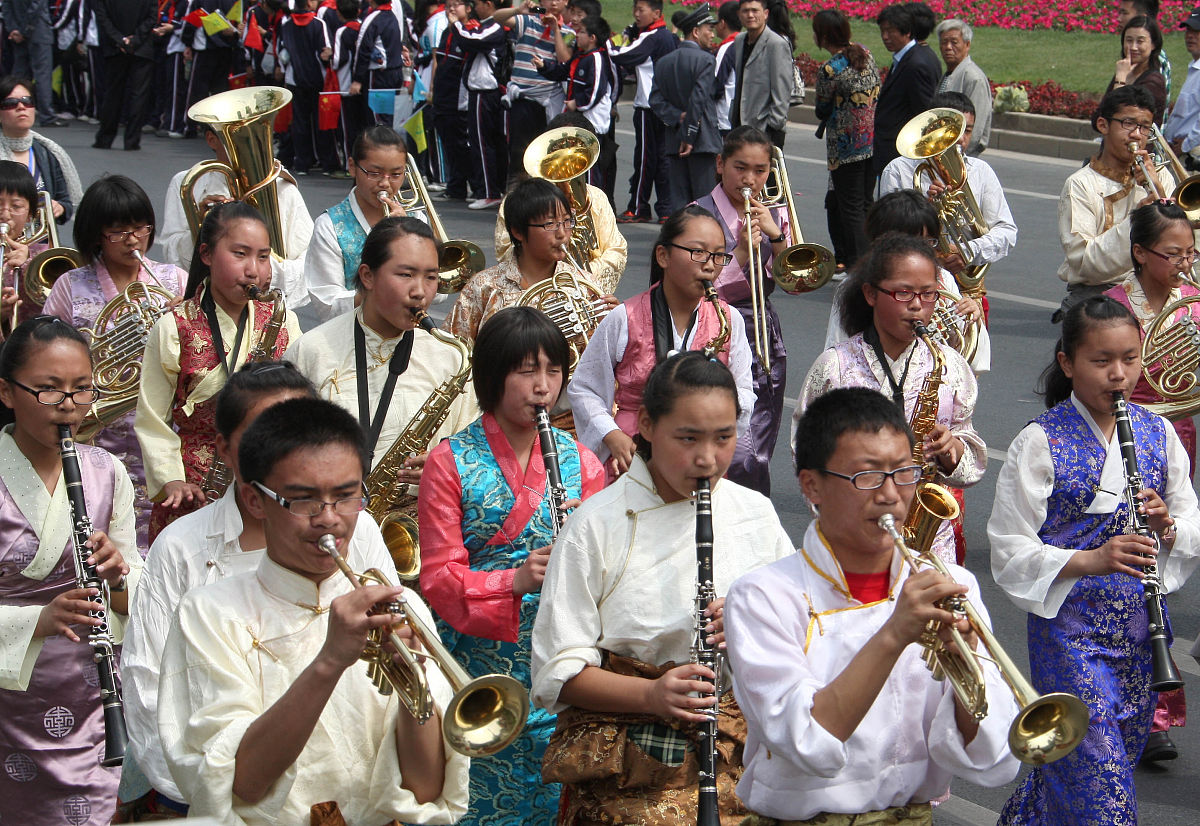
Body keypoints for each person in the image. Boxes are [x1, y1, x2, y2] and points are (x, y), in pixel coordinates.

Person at [156, 396, 470, 823]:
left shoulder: (400, 606)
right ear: (254, 500)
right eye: (304, 501)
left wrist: (411, 684)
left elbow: (425, 790)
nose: (329, 519)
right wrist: (330, 660)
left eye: (346, 497)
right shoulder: (209, 613)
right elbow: (243, 783)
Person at [726, 387, 1020, 823]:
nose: (890, 495)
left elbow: (994, 759)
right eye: (867, 476)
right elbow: (807, 742)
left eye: (904, 473)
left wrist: (966, 659)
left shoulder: (951, 584)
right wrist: (894, 634)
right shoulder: (763, 596)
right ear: (811, 485)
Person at [122, 360, 399, 818]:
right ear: (225, 449)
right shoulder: (182, 547)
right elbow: (149, 685)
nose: (289, 447)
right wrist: (209, 791)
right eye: (267, 433)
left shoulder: (359, 528)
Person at [531, 351, 793, 823]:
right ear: (648, 425)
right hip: (628, 767)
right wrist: (652, 696)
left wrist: (753, 626)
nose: (707, 458)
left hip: (738, 751)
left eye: (724, 437)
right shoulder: (595, 525)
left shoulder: (754, 513)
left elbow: (802, 633)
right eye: (688, 438)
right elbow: (558, 672)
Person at [989, 296, 1200, 824]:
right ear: (1067, 363)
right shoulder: (1040, 441)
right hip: (1070, 633)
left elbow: (1189, 520)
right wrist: (1093, 559)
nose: (1119, 374)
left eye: (1130, 359)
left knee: (1085, 771)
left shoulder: (1157, 432)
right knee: (1100, 784)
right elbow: (1010, 548)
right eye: (1101, 361)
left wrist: (1167, 526)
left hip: (1141, 628)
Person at [418, 306, 604, 825]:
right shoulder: (449, 461)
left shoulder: (582, 462)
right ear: (493, 376)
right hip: (478, 662)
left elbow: (611, 572)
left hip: (557, 658)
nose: (543, 386)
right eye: (526, 371)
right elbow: (437, 577)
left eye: (553, 371)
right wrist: (513, 581)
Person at [0, 316, 140, 826]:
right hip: (9, 692)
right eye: (49, 389)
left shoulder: (107, 471)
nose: (68, 404)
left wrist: (118, 575)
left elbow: (137, 592)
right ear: (6, 392)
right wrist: (38, 619)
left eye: (82, 389)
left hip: (90, 696)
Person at [799, 233, 986, 565]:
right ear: (871, 294)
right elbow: (805, 451)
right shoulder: (834, 367)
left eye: (928, 294)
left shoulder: (951, 365)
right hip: (853, 533)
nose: (917, 305)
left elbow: (969, 448)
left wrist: (952, 450)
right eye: (903, 293)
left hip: (930, 542)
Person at [135, 201, 302, 540]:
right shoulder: (174, 327)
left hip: (270, 477)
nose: (253, 270)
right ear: (207, 255)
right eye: (240, 254)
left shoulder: (284, 320)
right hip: (194, 488)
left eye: (263, 256)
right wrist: (171, 479)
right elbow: (152, 416)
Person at [42, 175, 187, 556]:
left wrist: (186, 322)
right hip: (94, 431)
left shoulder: (174, 281)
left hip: (159, 431)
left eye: (140, 228)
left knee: (162, 537)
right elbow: (43, 353)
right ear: (96, 235)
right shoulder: (70, 286)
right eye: (118, 231)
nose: (132, 239)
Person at [287, 217, 478, 501]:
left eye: (431, 277)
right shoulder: (311, 351)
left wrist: (451, 467)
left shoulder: (451, 356)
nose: (420, 291)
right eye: (406, 275)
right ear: (367, 276)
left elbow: (475, 447)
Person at [1103, 202, 1197, 764]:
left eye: (1190, 253)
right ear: (1140, 253)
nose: (1184, 264)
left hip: (1175, 438)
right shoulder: (1113, 306)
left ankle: (1153, 710)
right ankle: (1144, 710)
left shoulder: (1194, 303)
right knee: (1127, 573)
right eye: (1172, 254)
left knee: (1156, 567)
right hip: (1118, 435)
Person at [569, 205, 754, 479]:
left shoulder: (730, 320)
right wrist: (611, 434)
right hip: (632, 456)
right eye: (698, 252)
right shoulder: (624, 317)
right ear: (663, 256)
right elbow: (585, 388)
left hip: (701, 455)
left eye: (718, 255)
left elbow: (744, 393)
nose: (710, 265)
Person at [693, 125, 793, 496]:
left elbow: (794, 282)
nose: (749, 179)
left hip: (762, 331)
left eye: (760, 170)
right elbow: (695, 287)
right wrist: (739, 253)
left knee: (760, 441)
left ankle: (749, 510)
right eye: (740, 168)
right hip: (713, 329)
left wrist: (777, 237)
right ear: (720, 164)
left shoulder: (774, 212)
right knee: (727, 442)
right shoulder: (697, 214)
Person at [879, 90, 1018, 314]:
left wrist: (967, 252)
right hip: (912, 291)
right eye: (955, 131)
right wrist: (925, 211)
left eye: (968, 131)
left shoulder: (981, 171)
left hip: (967, 293)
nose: (961, 139)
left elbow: (1007, 232)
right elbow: (887, 236)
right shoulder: (898, 170)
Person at [825, 190, 990, 378]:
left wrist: (971, 322)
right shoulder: (855, 284)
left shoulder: (943, 279)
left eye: (928, 242)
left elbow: (973, 362)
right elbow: (837, 354)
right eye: (909, 243)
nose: (919, 252)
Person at [160, 123, 314, 310]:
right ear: (212, 140)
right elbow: (173, 261)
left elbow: (312, 263)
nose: (248, 146)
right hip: (205, 308)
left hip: (270, 309)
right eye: (235, 138)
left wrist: (269, 272)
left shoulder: (282, 188)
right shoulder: (186, 183)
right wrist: (202, 228)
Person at [448, 176, 619, 341]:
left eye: (567, 221)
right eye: (550, 224)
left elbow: (602, 352)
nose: (562, 234)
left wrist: (615, 323)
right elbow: (454, 348)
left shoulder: (585, 286)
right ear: (518, 231)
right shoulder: (484, 286)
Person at [1055, 84, 1159, 317]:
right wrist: (1138, 221)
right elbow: (1084, 262)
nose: (1136, 135)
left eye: (1144, 127)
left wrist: (1160, 194)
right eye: (1128, 123)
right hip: (1097, 293)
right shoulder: (1080, 184)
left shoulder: (1158, 176)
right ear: (1103, 125)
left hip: (1155, 290)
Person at [494, 115, 627, 294]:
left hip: (587, 290)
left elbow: (616, 250)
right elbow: (506, 250)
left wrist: (581, 278)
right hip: (535, 290)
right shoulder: (519, 199)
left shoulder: (597, 197)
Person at [813, 8, 878, 272]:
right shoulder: (865, 53)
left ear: (823, 36)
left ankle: (859, 266)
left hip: (845, 147)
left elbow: (821, 108)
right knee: (865, 203)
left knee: (850, 208)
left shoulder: (830, 69)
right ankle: (870, 259)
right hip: (871, 142)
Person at [609, 0, 678, 223]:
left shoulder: (652, 37)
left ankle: (638, 207)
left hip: (648, 107)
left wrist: (610, 41)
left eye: (641, 10)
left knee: (645, 160)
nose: (636, 14)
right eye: (635, 10)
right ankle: (666, 208)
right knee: (663, 159)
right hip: (665, 106)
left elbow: (621, 55)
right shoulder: (667, 36)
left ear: (656, 13)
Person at [648, 5, 721, 212]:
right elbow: (698, 100)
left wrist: (677, 117)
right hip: (702, 141)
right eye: (709, 29)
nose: (712, 35)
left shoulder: (664, 62)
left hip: (673, 141)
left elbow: (655, 100)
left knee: (680, 206)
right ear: (696, 32)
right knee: (705, 205)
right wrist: (688, 135)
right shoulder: (706, 60)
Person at [492, 0, 571, 188]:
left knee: (547, 153)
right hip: (524, 97)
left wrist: (556, 30)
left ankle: (544, 195)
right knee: (519, 152)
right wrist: (518, 10)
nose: (553, 2)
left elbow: (565, 60)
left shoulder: (568, 32)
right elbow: (496, 18)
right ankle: (514, 194)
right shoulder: (528, 21)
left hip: (549, 98)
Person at [0, 76, 81, 224]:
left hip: (41, 236)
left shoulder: (48, 151)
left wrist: (60, 207)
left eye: (27, 101)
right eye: (11, 103)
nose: (21, 107)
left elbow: (65, 201)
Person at [453, 0, 510, 210]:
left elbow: (471, 40)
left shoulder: (494, 27)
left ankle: (488, 192)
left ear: (488, 4)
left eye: (477, 3)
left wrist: (456, 23)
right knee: (486, 142)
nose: (475, 8)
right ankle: (491, 189)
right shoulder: (488, 26)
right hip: (484, 92)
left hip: (485, 91)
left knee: (482, 143)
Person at [873, 4, 941, 177]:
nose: (885, 37)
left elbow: (924, 113)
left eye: (890, 31)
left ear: (907, 32)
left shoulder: (916, 64)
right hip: (890, 152)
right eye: (882, 31)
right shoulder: (906, 58)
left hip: (901, 156)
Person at [279, 0, 341, 177]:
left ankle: (302, 163)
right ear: (308, 4)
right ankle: (327, 163)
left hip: (294, 79)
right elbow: (326, 51)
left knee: (300, 122)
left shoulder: (286, 25)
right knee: (322, 121)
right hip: (318, 79)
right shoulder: (319, 24)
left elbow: (282, 53)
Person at [91, 0, 157, 151]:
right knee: (138, 95)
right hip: (141, 48)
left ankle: (105, 138)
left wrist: (119, 39)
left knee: (112, 94)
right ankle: (132, 140)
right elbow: (152, 17)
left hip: (115, 48)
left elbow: (102, 17)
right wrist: (135, 39)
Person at [729, 0, 792, 149]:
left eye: (755, 10)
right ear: (739, 14)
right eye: (745, 11)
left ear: (765, 14)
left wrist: (772, 126)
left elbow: (782, 91)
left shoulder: (776, 44)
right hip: (739, 125)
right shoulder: (739, 40)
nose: (750, 15)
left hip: (764, 130)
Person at [0, 160, 51, 332]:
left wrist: (29, 265)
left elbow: (54, 305)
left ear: (30, 215)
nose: (5, 214)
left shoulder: (42, 256)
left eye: (16, 206)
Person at [1, 1, 66, 127]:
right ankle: (47, 115)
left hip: (18, 33)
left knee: (19, 75)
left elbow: (6, 7)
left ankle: (9, 110)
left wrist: (13, 29)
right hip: (38, 31)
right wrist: (24, 29)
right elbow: (37, 6)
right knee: (42, 75)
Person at [934, 19, 991, 155]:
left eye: (954, 42)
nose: (948, 47)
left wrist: (958, 156)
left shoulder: (973, 78)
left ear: (967, 44)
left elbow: (975, 130)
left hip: (960, 156)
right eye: (944, 42)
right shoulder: (949, 74)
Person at [1106, 15, 1167, 126]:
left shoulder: (1153, 82)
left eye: (1140, 41)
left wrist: (1120, 81)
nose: (1133, 47)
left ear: (1153, 44)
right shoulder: (1124, 72)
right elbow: (1098, 118)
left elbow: (1118, 119)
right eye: (1129, 40)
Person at [1163, 6, 1200, 165]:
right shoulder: (1194, 68)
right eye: (1188, 30)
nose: (1190, 36)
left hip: (1192, 157)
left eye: (1197, 31)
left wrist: (1186, 145)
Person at [1118, 0, 1171, 97]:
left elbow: (1119, 104)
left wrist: (1120, 80)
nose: (1119, 18)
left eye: (1125, 13)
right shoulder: (1128, 65)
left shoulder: (1156, 62)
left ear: (1142, 18)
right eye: (1129, 40)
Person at [712, 1, 741, 136]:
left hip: (724, 118)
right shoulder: (745, 44)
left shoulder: (726, 48)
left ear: (722, 23)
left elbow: (715, 85)